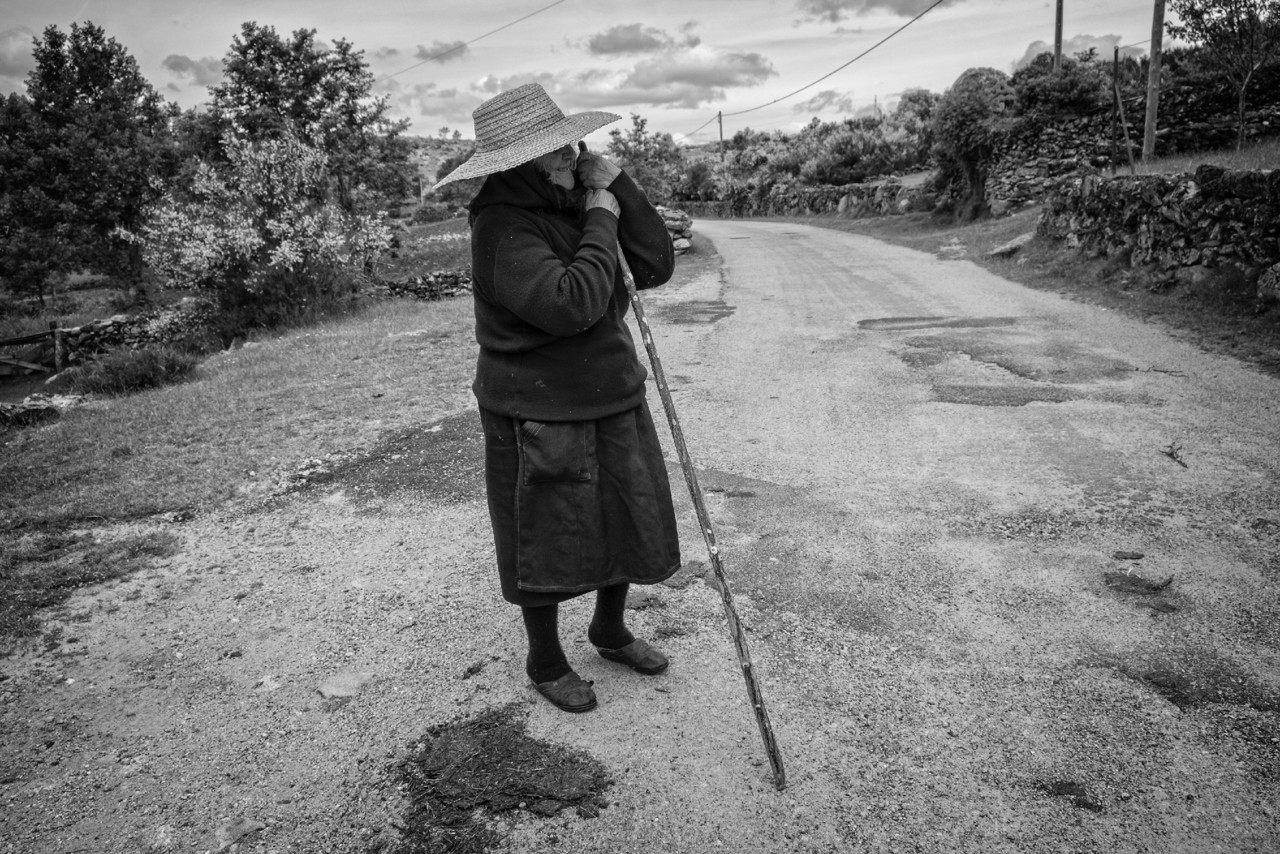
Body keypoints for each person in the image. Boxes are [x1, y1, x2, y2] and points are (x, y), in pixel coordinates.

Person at [433, 83, 680, 713]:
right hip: (535, 407)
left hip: (610, 390)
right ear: (519, 164)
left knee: (624, 513)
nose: (572, 154)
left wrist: (617, 186)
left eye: (570, 142)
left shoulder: (573, 198)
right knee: (539, 533)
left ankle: (610, 630)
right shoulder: (501, 226)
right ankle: (544, 660)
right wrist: (601, 217)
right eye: (557, 151)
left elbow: (651, 265)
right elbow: (570, 303)